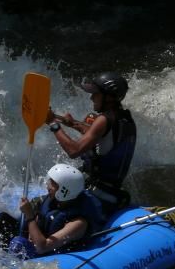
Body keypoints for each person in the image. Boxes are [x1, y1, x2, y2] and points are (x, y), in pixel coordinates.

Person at [46, 72, 136, 214]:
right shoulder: (124, 119)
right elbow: (97, 134)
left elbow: (73, 151)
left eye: (96, 93)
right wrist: (70, 123)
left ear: (110, 97)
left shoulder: (104, 119)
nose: (91, 97)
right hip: (112, 191)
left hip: (97, 193)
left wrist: (52, 123)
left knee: (46, 207)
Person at [8, 163, 104, 258]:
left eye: (53, 183)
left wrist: (29, 216)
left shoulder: (78, 223)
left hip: (51, 254)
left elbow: (42, 247)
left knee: (19, 244)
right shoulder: (53, 201)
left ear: (65, 191)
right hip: (37, 241)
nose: (48, 186)